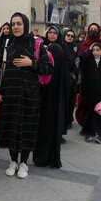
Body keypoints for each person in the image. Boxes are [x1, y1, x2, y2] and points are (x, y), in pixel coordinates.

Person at [0, 12, 52, 179]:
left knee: (27, 128)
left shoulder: (36, 45)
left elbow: (48, 68)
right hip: (9, 94)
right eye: (13, 24)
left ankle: (24, 162)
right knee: (11, 128)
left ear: (25, 25)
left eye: (19, 23)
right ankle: (13, 161)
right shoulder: (6, 45)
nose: (16, 27)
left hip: (29, 95)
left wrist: (31, 63)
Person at [34, 26, 67, 169]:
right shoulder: (44, 47)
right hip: (46, 92)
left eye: (55, 33)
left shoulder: (56, 49)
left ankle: (44, 157)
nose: (52, 35)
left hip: (51, 93)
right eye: (50, 32)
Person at [79, 43, 101, 143]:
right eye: (94, 50)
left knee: (100, 114)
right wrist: (88, 49)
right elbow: (81, 57)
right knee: (88, 112)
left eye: (98, 50)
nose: (95, 52)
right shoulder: (89, 62)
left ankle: (100, 134)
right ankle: (88, 132)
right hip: (89, 93)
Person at [62, 29, 79, 130]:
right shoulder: (61, 46)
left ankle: (69, 120)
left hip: (72, 78)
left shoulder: (75, 48)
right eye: (68, 35)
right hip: (63, 77)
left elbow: (76, 62)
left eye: (72, 36)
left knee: (71, 100)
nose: (69, 37)